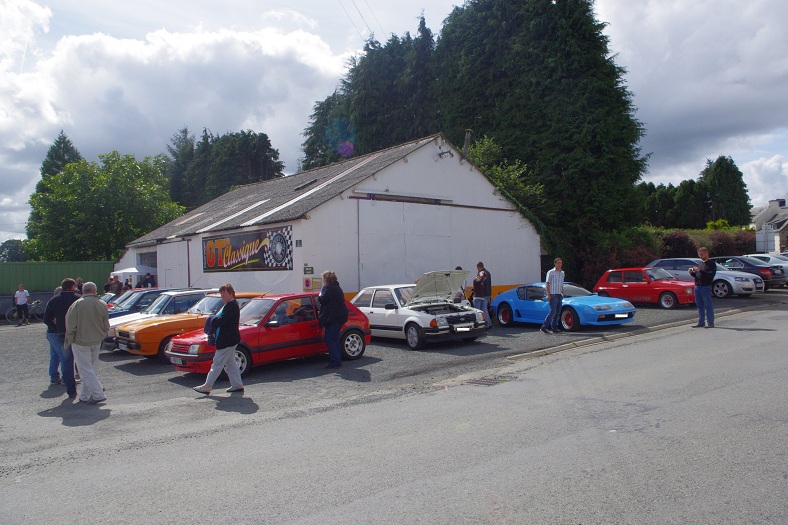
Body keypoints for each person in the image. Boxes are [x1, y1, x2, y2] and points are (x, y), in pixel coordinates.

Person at [193, 284, 244, 394]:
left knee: (217, 363)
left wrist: (212, 320)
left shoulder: (231, 305)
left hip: (227, 340)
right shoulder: (230, 304)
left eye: (224, 293)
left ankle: (207, 386)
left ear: (231, 293)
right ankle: (237, 384)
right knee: (231, 363)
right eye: (221, 293)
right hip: (230, 339)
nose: (222, 295)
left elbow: (222, 321)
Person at [65, 282, 109, 404]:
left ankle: (98, 394)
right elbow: (106, 325)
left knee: (85, 370)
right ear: (95, 291)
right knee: (92, 369)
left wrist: (70, 338)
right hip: (96, 341)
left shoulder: (77, 304)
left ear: (83, 291)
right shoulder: (102, 304)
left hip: (81, 341)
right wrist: (101, 335)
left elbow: (70, 325)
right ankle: (84, 396)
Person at [44, 278, 82, 396]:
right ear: (72, 286)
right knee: (82, 360)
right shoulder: (78, 298)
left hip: (61, 334)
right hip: (77, 334)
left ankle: (71, 391)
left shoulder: (53, 300)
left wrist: (57, 328)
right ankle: (89, 388)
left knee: (66, 361)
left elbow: (46, 319)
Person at [318, 270, 348, 369]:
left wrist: (320, 294)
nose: (323, 281)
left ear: (327, 280)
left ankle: (335, 361)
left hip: (335, 318)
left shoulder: (332, 289)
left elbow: (322, 300)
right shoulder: (335, 287)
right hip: (335, 317)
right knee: (333, 338)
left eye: (323, 279)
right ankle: (337, 360)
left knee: (330, 338)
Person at [689, 247, 717, 328]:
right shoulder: (700, 264)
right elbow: (698, 276)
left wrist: (700, 270)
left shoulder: (711, 263)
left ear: (706, 253)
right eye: (699, 255)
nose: (700, 256)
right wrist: (692, 273)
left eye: (702, 254)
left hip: (705, 286)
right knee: (699, 305)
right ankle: (701, 322)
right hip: (698, 286)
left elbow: (710, 275)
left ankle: (710, 323)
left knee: (708, 305)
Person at [541, 257, 565, 334]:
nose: (559, 265)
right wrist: (548, 294)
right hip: (553, 294)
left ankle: (554, 327)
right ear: (555, 263)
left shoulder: (562, 273)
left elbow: (561, 284)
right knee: (553, 311)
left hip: (559, 294)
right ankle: (544, 326)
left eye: (561, 263)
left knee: (558, 312)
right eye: (558, 263)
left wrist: (562, 293)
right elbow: (547, 283)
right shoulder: (551, 272)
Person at [472, 262, 493, 328]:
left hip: (481, 294)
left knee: (479, 310)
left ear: (478, 267)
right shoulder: (488, 272)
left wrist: (476, 280)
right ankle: (488, 323)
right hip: (487, 293)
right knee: (485, 309)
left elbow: (479, 281)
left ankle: (483, 324)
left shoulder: (481, 273)